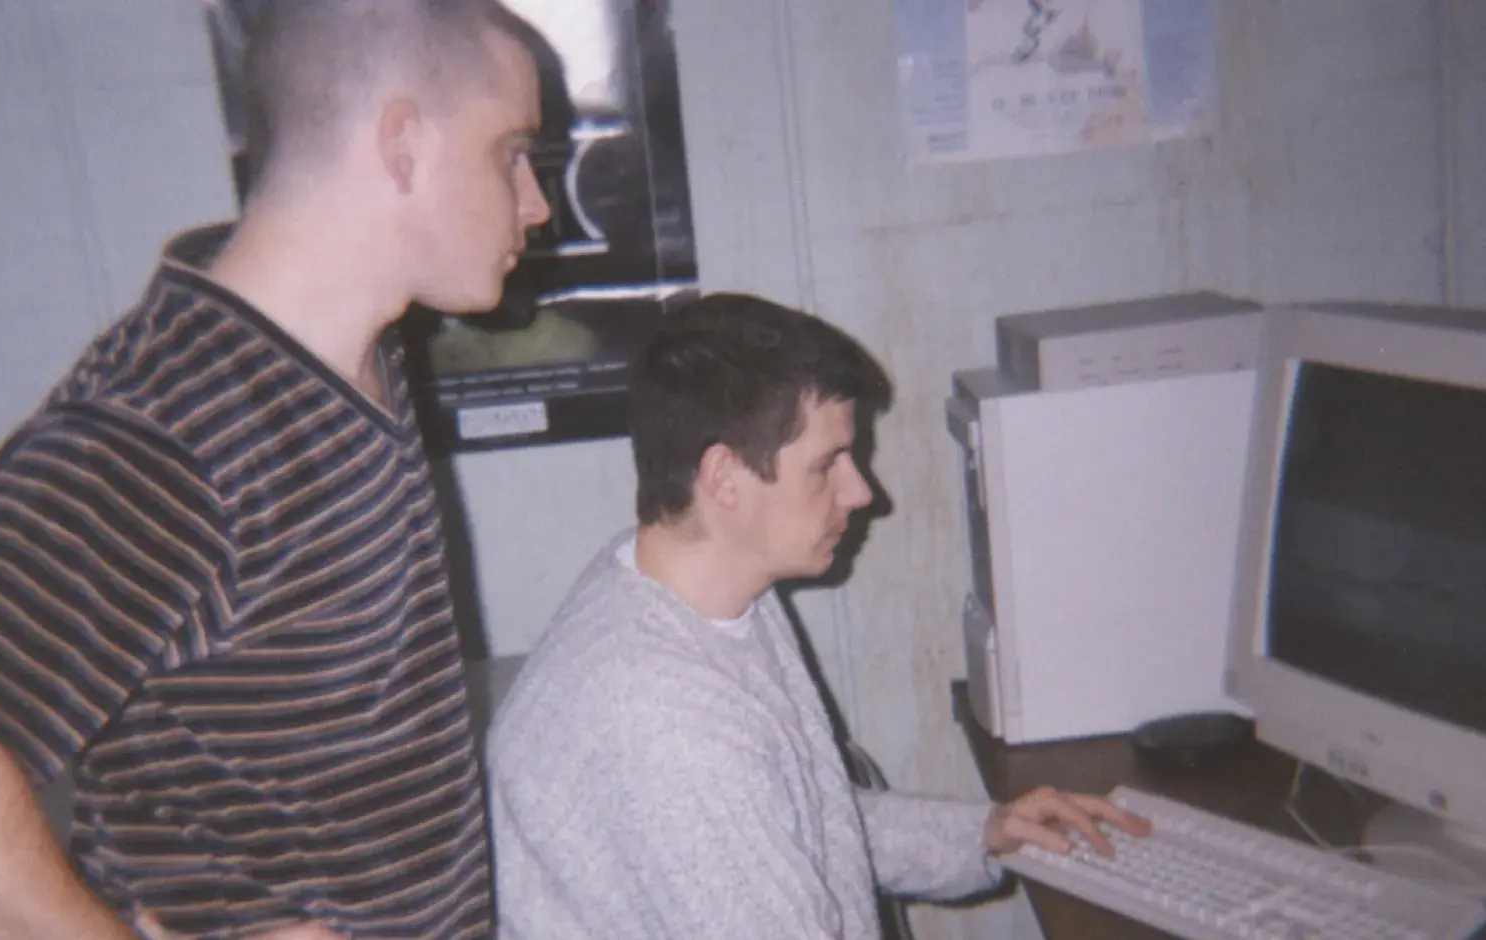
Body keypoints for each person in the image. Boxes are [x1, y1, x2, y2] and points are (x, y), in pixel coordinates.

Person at [0, 1, 551, 937]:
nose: (535, 203)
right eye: (511, 153)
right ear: (403, 142)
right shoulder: (162, 430)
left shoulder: (356, 364)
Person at [486, 293, 1152, 939]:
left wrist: (983, 832)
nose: (862, 492)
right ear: (723, 479)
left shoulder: (704, 590)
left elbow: (805, 819)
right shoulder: (662, 722)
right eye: (827, 464)